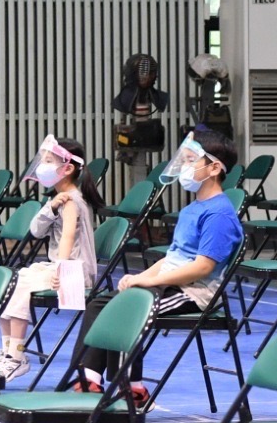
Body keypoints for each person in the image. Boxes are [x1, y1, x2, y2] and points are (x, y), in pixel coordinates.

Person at [71, 129, 243, 396]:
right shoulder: (191, 210)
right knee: (100, 304)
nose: (184, 167)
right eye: (184, 160)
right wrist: (140, 278)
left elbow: (202, 267)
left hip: (193, 293)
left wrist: (149, 281)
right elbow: (172, 259)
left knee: (128, 310)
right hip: (169, 285)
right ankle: (88, 378)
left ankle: (131, 390)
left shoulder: (219, 214)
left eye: (191, 160)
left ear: (214, 168)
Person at [0, 135, 105, 379]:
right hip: (58, 266)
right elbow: (36, 230)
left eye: (48, 161)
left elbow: (67, 237)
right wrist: (51, 206)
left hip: (72, 273)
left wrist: (61, 270)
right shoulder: (59, 200)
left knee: (21, 285)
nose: (42, 166)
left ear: (67, 169)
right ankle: (8, 351)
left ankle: (16, 356)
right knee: (8, 283)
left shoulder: (73, 201)